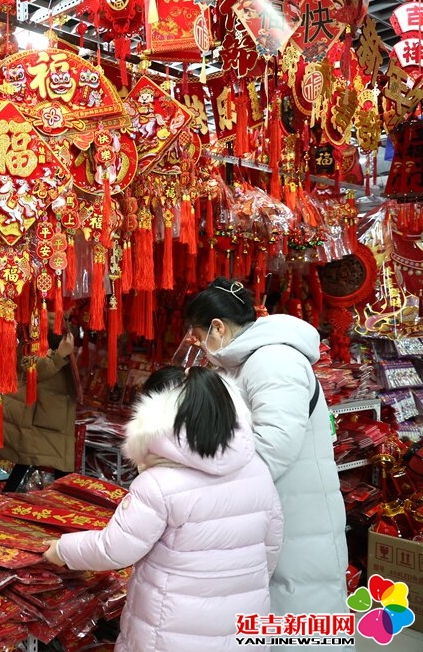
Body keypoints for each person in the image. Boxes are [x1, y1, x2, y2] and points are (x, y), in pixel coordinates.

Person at [44, 367, 283, 652]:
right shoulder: (258, 470)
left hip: (170, 630)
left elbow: (115, 549)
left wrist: (63, 550)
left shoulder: (159, 484)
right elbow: (272, 545)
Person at [184, 277, 349, 629]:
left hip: (297, 515)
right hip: (273, 508)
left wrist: (214, 492)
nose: (199, 346)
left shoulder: (274, 360)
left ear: (218, 327)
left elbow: (274, 446)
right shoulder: (247, 361)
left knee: (301, 610)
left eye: (199, 336)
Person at [0, 319, 77, 492]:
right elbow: (30, 366)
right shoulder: (35, 326)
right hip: (39, 411)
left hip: (50, 410)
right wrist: (59, 355)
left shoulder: (58, 325)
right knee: (32, 460)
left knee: (31, 462)